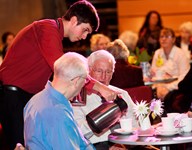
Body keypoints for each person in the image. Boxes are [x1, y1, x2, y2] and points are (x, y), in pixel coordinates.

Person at [0, 1, 117, 149]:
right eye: (85, 30)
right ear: (74, 20)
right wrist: (100, 87)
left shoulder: (53, 33)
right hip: (13, 95)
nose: (84, 36)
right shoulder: (47, 28)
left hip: (24, 96)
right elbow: (68, 70)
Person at [24, 52, 95, 149]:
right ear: (76, 81)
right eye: (86, 79)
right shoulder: (58, 113)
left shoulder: (35, 100)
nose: (85, 84)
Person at [73, 50, 137, 149]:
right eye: (99, 71)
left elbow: (135, 126)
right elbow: (77, 134)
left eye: (108, 72)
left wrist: (122, 144)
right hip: (95, 145)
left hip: (124, 144)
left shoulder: (122, 94)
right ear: (89, 71)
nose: (103, 76)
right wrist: (99, 120)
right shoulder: (78, 96)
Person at [150, 27, 190, 100]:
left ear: (174, 39)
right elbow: (154, 74)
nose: (164, 39)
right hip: (159, 87)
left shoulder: (180, 54)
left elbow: (184, 77)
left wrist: (168, 87)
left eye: (167, 36)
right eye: (162, 36)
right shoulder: (157, 53)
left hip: (176, 88)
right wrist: (159, 87)